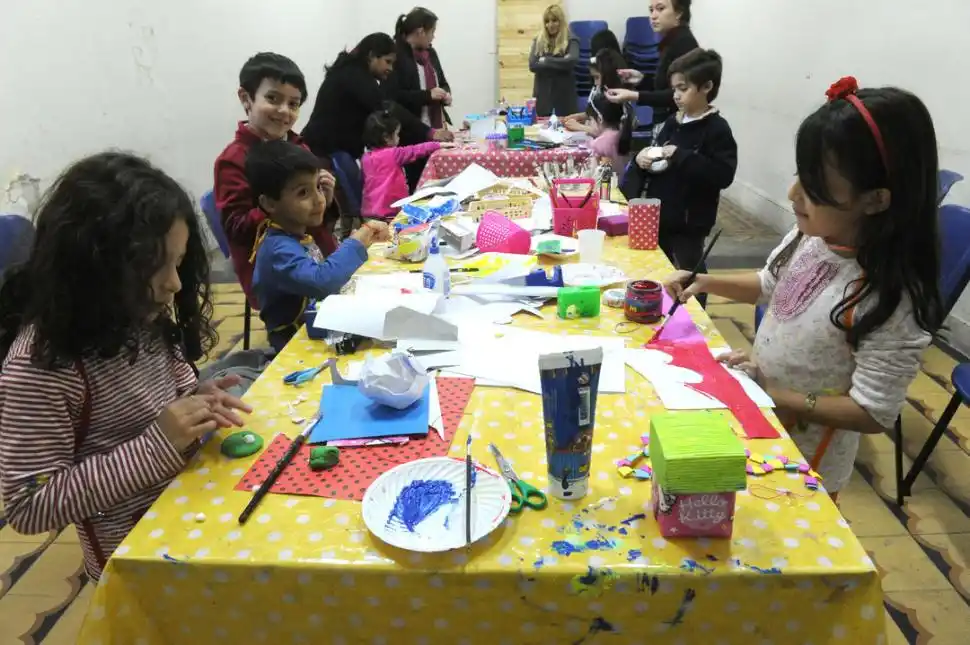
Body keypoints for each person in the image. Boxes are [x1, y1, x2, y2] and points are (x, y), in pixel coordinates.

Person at [664, 78, 943, 499]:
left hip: (806, 464)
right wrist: (703, 280)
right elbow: (770, 285)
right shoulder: (813, 237)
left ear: (875, 200)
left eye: (814, 188)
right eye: (799, 176)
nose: (793, 194)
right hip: (763, 421)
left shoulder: (890, 297)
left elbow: (872, 412)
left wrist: (774, 394)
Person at [0, 152, 252, 581]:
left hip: (194, 513)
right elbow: (29, 505)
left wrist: (196, 399)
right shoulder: (38, 366)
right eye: (154, 267)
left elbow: (160, 400)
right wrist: (159, 443)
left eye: (178, 262)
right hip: (139, 561)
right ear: (91, 267)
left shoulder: (138, 317)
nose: (174, 283)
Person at [214, 52, 338, 307]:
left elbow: (320, 220)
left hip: (318, 253)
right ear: (246, 98)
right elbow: (236, 228)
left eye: (293, 104)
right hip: (277, 272)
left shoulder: (298, 147)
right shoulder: (233, 160)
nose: (284, 111)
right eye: (272, 99)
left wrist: (324, 198)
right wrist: (282, 207)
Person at [246, 141, 390, 353]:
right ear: (269, 203)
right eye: (303, 193)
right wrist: (359, 239)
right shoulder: (277, 249)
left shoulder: (296, 234)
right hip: (293, 344)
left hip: (317, 327)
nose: (319, 200)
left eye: (318, 187)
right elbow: (322, 281)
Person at [625, 49, 737, 302]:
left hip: (690, 223)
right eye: (674, 88)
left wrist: (681, 155)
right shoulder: (672, 122)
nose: (676, 95)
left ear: (706, 87)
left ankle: (696, 319)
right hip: (660, 215)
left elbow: (723, 174)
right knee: (659, 271)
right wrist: (642, 158)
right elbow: (657, 153)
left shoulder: (717, 129)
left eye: (683, 88)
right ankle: (660, 310)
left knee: (689, 275)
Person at [302, 33, 448, 163]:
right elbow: (388, 110)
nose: (390, 69)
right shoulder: (355, 77)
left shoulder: (349, 72)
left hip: (327, 151)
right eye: (387, 61)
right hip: (322, 155)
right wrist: (430, 133)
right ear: (372, 56)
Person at [385, 7, 455, 191]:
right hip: (411, 133)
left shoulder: (431, 54)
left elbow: (443, 82)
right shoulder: (397, 57)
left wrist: (445, 94)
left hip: (436, 129)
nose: (433, 37)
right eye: (432, 32)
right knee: (418, 185)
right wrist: (427, 95)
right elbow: (394, 97)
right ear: (420, 31)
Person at [605, 0, 698, 135]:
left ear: (679, 13)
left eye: (660, 9)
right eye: (651, 10)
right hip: (668, 123)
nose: (653, 16)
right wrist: (641, 79)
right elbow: (665, 85)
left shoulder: (684, 43)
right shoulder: (671, 41)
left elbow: (677, 95)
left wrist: (634, 96)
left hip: (678, 128)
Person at [360, 107, 454, 222]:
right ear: (386, 137)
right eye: (397, 134)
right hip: (390, 212)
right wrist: (439, 145)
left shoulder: (365, 158)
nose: (399, 138)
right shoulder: (393, 154)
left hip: (369, 212)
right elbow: (416, 150)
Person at [564, 48, 634, 172]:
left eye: (597, 77)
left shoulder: (616, 99)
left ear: (608, 76)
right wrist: (579, 117)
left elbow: (608, 132)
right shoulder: (604, 93)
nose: (596, 83)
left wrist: (580, 127)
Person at [529, 4, 580, 117]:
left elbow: (571, 61)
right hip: (543, 98)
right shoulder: (538, 41)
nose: (550, 25)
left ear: (561, 21)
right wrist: (560, 61)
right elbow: (532, 65)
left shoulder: (572, 40)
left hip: (565, 99)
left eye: (554, 20)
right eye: (547, 21)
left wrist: (545, 60)